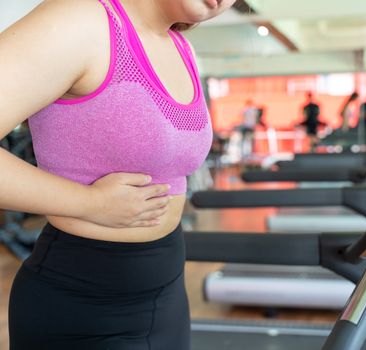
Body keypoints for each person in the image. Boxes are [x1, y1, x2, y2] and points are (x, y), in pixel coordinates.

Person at [1, 0, 235, 349]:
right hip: (82, 307)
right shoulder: (80, 19)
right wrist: (89, 202)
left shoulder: (178, 45)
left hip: (167, 291)